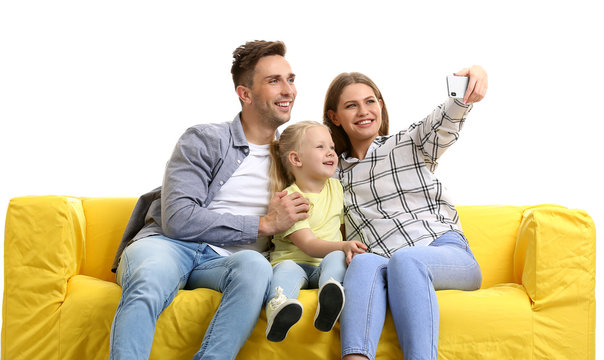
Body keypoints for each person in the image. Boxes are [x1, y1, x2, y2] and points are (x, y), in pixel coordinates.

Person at [109, 40, 310, 360]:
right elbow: (178, 219)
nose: (288, 90)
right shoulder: (204, 139)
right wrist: (264, 224)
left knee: (256, 266)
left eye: (290, 79)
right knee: (150, 277)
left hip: (226, 263)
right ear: (245, 94)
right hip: (171, 245)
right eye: (274, 81)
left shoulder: (294, 157)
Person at [322, 67, 488, 360]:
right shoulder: (333, 174)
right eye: (351, 105)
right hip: (387, 267)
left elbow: (446, 120)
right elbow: (294, 157)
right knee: (362, 264)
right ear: (335, 117)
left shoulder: (407, 143)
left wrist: (471, 81)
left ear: (381, 106)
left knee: (406, 258)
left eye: (370, 101)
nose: (364, 111)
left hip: (445, 253)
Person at [263, 121, 366, 342]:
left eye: (331, 147)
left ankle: (330, 296)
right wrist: (344, 246)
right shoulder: (290, 200)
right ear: (296, 159)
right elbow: (308, 244)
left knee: (337, 258)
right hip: (294, 262)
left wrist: (345, 248)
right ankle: (278, 310)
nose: (330, 153)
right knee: (286, 270)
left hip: (323, 266)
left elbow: (341, 229)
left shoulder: (336, 188)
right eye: (320, 147)